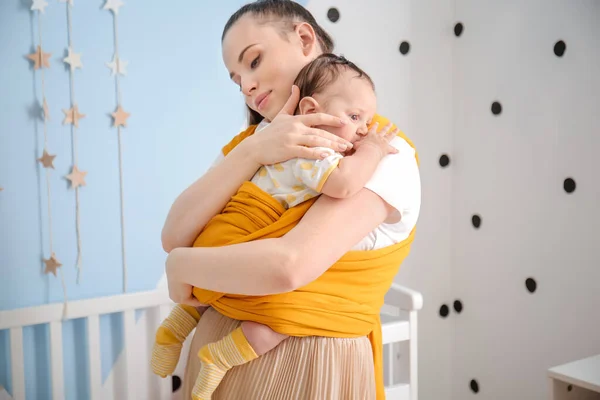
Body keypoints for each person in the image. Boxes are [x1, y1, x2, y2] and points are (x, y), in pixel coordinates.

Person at [162, 1, 421, 398]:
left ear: (303, 38)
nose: (246, 85)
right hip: (213, 353)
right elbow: (175, 232)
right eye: (236, 80)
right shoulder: (249, 147)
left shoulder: (377, 151)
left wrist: (182, 266)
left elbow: (289, 266)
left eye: (254, 61)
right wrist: (253, 152)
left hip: (310, 362)